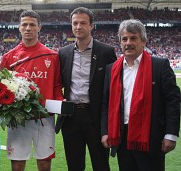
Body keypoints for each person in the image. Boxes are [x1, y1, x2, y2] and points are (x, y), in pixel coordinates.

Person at [101, 19, 180, 171]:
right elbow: (106, 103)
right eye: (124, 39)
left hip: (151, 138)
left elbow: (172, 101)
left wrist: (171, 134)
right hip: (122, 138)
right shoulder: (112, 69)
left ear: (143, 41)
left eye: (133, 38)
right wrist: (105, 132)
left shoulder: (159, 65)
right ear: (120, 42)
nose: (128, 43)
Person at [55, 7, 117, 171]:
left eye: (83, 23)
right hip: (71, 117)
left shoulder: (106, 51)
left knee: (101, 164)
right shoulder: (63, 53)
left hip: (96, 117)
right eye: (75, 23)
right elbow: (58, 83)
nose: (78, 26)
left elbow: (114, 87)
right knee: (74, 166)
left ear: (91, 26)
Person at [0, 10, 63, 171]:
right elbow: (0, 87)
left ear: (39, 27)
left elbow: (57, 85)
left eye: (32, 25)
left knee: (44, 162)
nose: (28, 28)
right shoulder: (8, 57)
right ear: (19, 28)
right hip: (18, 118)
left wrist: (59, 105)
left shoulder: (52, 56)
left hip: (44, 117)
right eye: (24, 25)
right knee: (18, 163)